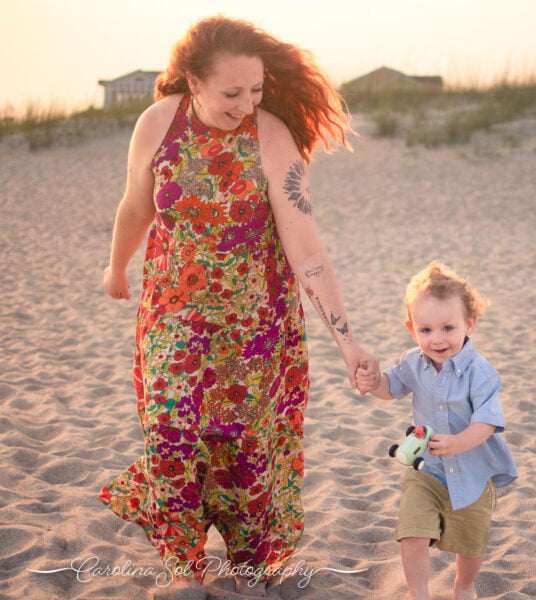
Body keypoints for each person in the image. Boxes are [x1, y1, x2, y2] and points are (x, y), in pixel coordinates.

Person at [98, 16, 377, 596]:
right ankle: (184, 564)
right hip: (172, 313)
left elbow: (306, 248)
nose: (247, 104)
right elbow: (136, 205)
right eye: (232, 93)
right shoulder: (158, 122)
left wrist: (348, 343)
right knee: (170, 431)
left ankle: (250, 564)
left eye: (256, 90)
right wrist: (116, 266)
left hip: (254, 325)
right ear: (193, 82)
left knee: (244, 447)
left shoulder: (271, 138)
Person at [356, 261, 517, 600]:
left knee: (470, 542)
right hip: (427, 471)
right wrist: (373, 382)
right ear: (411, 329)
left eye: (448, 328)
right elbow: (390, 387)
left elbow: (488, 421)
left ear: (469, 324)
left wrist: (459, 442)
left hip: (473, 473)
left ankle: (464, 586)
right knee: (412, 532)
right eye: (426, 330)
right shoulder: (412, 363)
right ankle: (419, 593)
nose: (437, 339)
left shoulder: (481, 372)